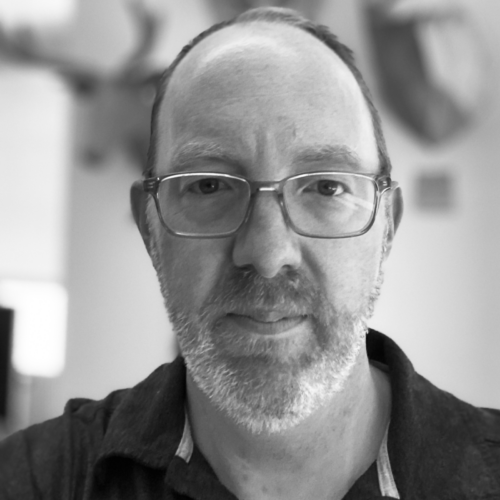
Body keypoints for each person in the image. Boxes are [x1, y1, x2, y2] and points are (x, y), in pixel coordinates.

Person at [1, 6, 499, 499]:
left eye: (325, 187)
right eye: (210, 185)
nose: (266, 252)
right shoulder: (32, 479)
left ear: (386, 225)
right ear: (149, 227)